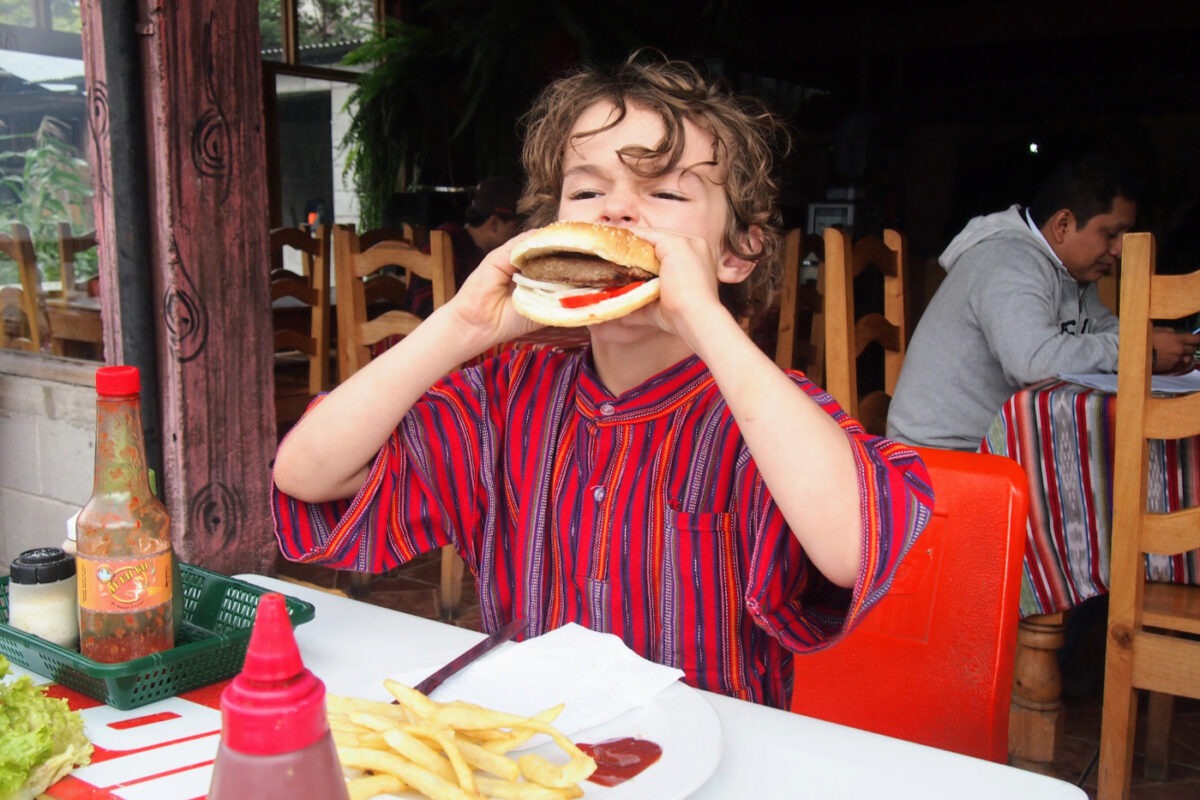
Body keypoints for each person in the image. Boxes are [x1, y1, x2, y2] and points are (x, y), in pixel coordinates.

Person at [271, 53, 932, 708]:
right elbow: (307, 474)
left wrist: (702, 316)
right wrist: (462, 325)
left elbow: (851, 547)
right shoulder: (502, 399)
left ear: (736, 252)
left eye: (666, 192)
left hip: (718, 761)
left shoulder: (766, 416)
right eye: (587, 191)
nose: (616, 210)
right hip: (537, 748)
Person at [888, 155, 1200, 451]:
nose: (1119, 249)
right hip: (940, 457)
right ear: (1063, 224)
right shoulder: (1007, 262)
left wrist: (1158, 344)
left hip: (994, 446)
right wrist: (1143, 351)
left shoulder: (1069, 269)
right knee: (1113, 471)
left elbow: (1101, 328)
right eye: (1111, 234)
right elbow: (1033, 363)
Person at [406, 176, 523, 317]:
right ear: (494, 224)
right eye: (516, 226)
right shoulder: (445, 247)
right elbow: (426, 312)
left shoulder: (478, 251)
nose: (520, 233)